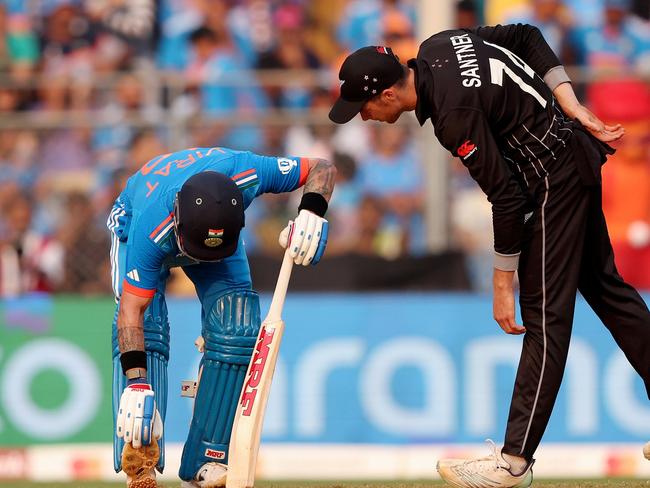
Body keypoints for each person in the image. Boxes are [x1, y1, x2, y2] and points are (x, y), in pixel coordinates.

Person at [328, 24, 650, 487]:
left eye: (362, 108)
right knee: (607, 290)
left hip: (551, 183)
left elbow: (507, 198)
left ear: (385, 94)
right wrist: (570, 102)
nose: (363, 119)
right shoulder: (439, 43)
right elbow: (526, 35)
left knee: (544, 320)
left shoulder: (452, 115)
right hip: (573, 154)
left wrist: (503, 284)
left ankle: (513, 462)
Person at [107, 146, 335, 488]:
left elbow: (322, 168)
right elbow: (131, 311)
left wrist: (312, 212)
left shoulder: (249, 173)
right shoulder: (150, 227)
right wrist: (136, 382)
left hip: (211, 235)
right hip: (138, 226)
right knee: (147, 333)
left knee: (238, 326)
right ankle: (140, 462)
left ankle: (206, 460)